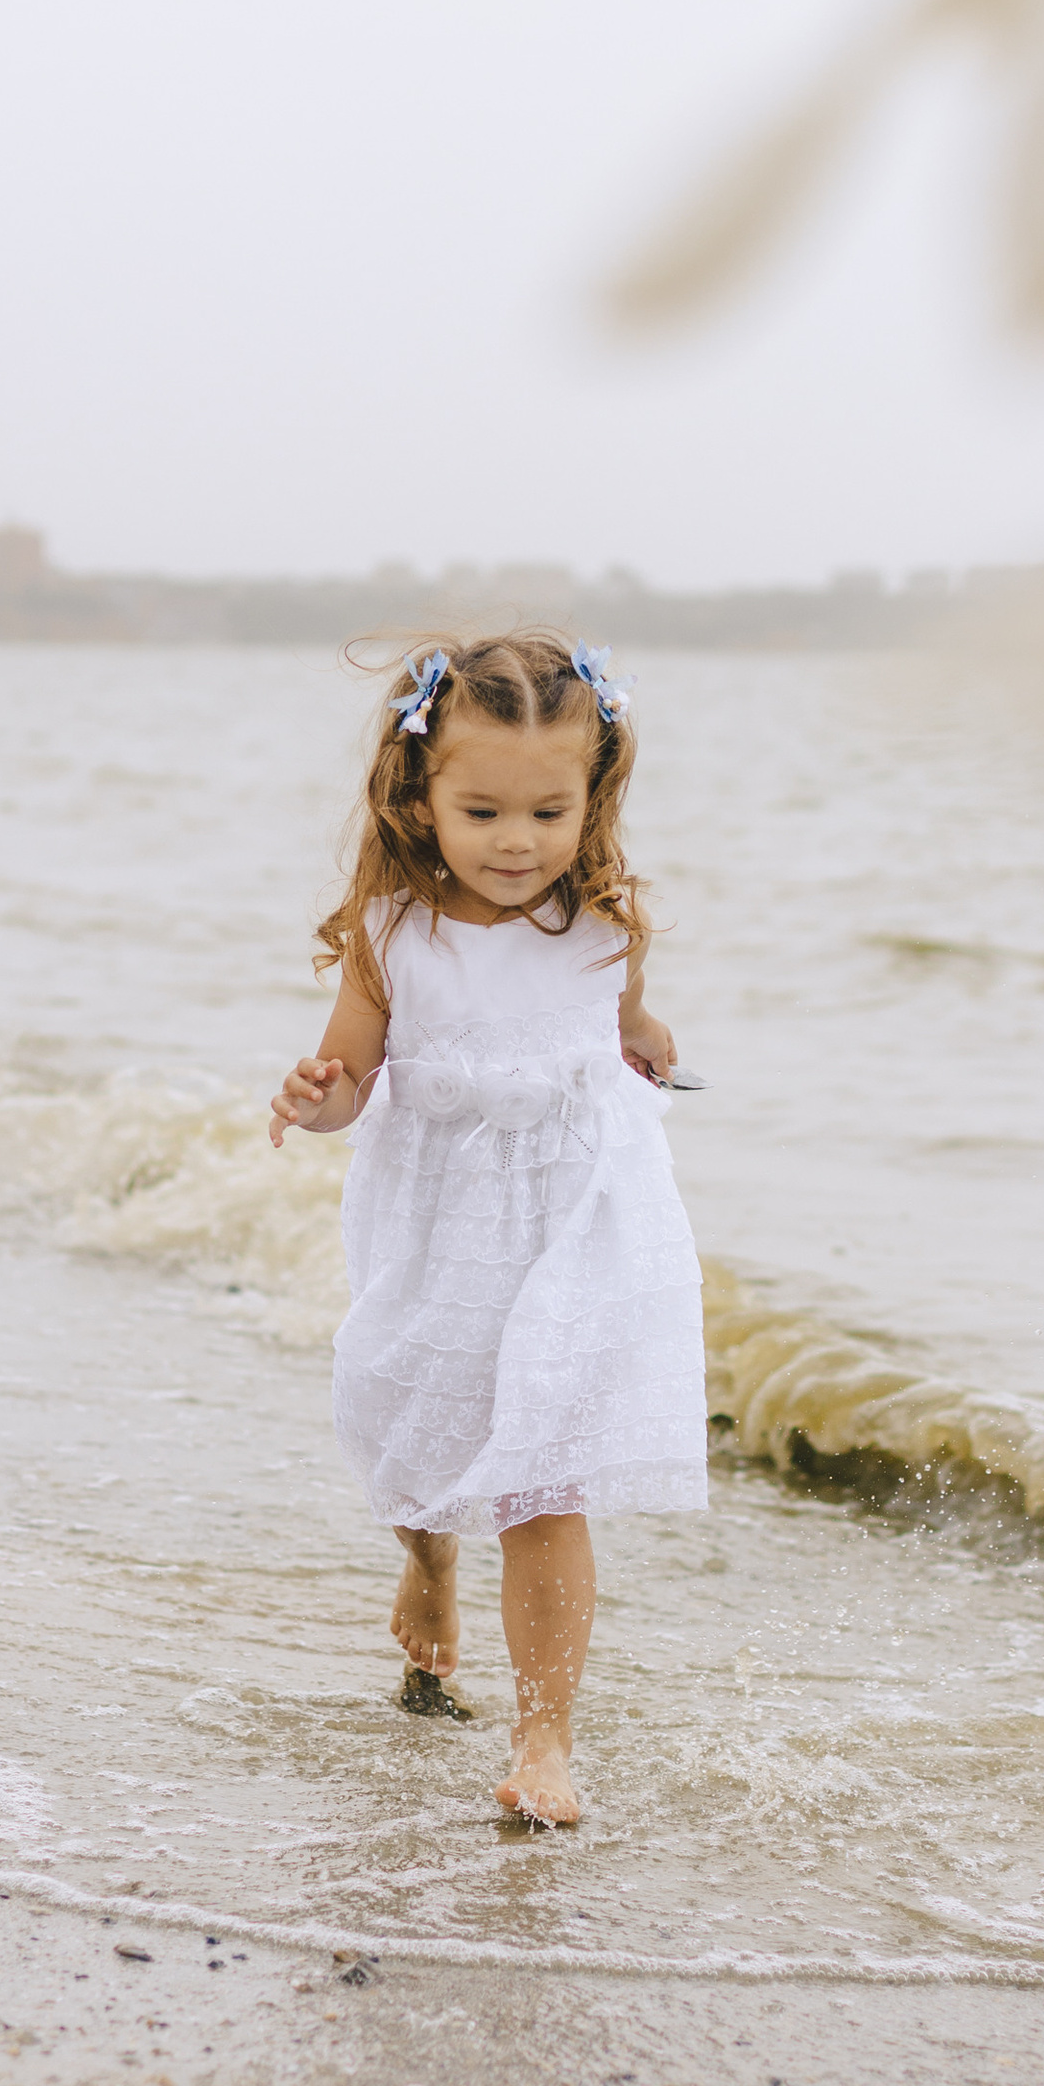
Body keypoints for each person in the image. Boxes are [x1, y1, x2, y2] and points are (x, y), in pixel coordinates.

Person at [268, 630, 707, 1825]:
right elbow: (353, 1078)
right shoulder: (391, 934)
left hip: (580, 1218)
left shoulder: (606, 918)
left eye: (548, 812)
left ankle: (545, 1741)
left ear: (591, 799)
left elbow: (611, 1016)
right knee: (418, 1410)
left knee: (543, 1480)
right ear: (420, 797)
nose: (518, 842)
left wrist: (643, 1033)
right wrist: (318, 1102)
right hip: (440, 1212)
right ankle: (425, 1565)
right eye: (483, 811)